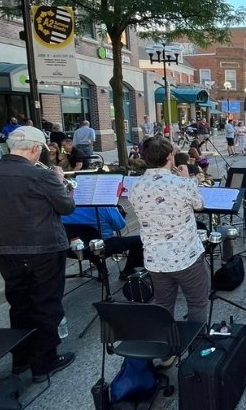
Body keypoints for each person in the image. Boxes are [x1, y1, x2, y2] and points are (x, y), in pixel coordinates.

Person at [0, 125, 75, 380]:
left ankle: (20, 359)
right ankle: (45, 363)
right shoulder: (41, 176)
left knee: (19, 305)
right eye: (40, 150)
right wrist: (60, 181)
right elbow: (66, 207)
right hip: (44, 248)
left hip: (6, 250)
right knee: (46, 304)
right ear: (34, 148)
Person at [128, 136, 210, 324]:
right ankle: (196, 342)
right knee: (197, 304)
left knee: (163, 305)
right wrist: (188, 179)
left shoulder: (135, 186)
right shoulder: (182, 184)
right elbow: (199, 205)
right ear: (169, 157)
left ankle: (166, 342)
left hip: (155, 258)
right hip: (186, 257)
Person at [61, 205, 145, 280]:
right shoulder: (104, 207)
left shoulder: (64, 207)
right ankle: (127, 271)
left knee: (88, 240)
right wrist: (116, 211)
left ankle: (101, 268)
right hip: (101, 247)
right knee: (141, 240)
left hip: (71, 249)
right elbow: (119, 226)